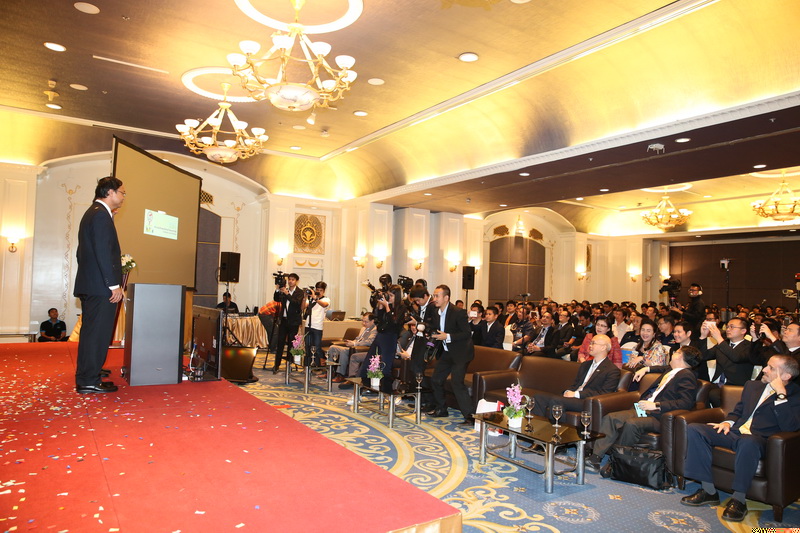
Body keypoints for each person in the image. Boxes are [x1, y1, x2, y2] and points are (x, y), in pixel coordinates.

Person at [680, 355, 800, 522]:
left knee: (748, 441)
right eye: (767, 365)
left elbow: (790, 427)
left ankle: (739, 500)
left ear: (786, 376)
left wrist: (780, 394)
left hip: (761, 440)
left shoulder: (794, 395)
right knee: (695, 429)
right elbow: (738, 411)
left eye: (771, 368)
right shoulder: (752, 386)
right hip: (735, 432)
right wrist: (727, 423)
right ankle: (708, 491)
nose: (764, 370)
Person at [585, 345, 701, 471]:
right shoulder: (672, 370)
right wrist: (646, 369)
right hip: (644, 409)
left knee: (631, 424)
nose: (672, 354)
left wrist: (657, 405)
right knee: (611, 418)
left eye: (677, 352)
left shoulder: (687, 375)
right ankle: (595, 458)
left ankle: (617, 463)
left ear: (680, 356)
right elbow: (661, 367)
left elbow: (686, 403)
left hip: (659, 416)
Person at [73, 176, 125, 394]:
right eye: (122, 192)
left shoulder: (93, 213)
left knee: (91, 333)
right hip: (101, 288)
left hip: (91, 284)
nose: (123, 196)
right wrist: (113, 285)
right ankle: (88, 381)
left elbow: (81, 253)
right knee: (97, 334)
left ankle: (89, 372)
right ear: (110, 192)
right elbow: (103, 253)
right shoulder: (100, 216)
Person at [532, 334, 621, 419]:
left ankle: (558, 428)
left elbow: (604, 394)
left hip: (587, 401)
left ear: (603, 347)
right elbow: (575, 384)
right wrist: (568, 391)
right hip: (573, 397)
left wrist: (576, 394)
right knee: (538, 397)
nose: (590, 345)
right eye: (590, 343)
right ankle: (539, 428)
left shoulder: (612, 370)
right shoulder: (585, 365)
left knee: (557, 401)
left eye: (593, 343)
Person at [427, 284, 475, 425]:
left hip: (461, 353)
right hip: (447, 352)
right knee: (436, 379)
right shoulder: (436, 312)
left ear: (446, 298)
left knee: (456, 382)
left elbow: (466, 333)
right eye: (434, 295)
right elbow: (435, 328)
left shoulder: (458, 312)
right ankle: (441, 409)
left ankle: (470, 416)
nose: (434, 298)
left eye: (437, 296)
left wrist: (447, 336)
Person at [355, 284, 407, 395]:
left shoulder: (402, 308)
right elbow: (378, 320)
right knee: (369, 361)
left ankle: (386, 391)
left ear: (397, 296)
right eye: (388, 295)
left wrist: (387, 307)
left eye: (391, 296)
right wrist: (380, 306)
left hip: (390, 337)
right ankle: (365, 386)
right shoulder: (386, 305)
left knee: (385, 366)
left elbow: (394, 322)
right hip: (380, 335)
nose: (389, 298)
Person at [699, 317, 753, 407]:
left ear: (743, 331)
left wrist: (719, 338)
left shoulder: (749, 346)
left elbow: (736, 357)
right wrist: (703, 336)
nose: (728, 329)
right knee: (698, 390)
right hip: (717, 384)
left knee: (713, 394)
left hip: (735, 386)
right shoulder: (723, 344)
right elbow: (703, 356)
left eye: (732, 327)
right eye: (727, 327)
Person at [271, 273, 305, 374]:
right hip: (283, 320)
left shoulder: (300, 292)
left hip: (294, 321)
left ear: (296, 281)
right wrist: (278, 290)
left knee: (291, 343)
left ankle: (289, 364)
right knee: (280, 342)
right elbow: (276, 299)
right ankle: (276, 365)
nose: (290, 281)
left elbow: (296, 303)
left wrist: (287, 293)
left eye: (293, 279)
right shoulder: (285, 290)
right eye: (289, 279)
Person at [332, 313, 377, 383]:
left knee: (343, 351)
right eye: (363, 321)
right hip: (354, 346)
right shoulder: (363, 328)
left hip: (361, 349)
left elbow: (369, 342)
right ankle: (331, 371)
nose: (363, 323)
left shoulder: (375, 330)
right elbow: (358, 339)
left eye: (366, 322)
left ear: (372, 321)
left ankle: (341, 375)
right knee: (333, 348)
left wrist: (354, 343)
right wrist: (352, 342)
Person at [304, 281, 329, 365]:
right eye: (317, 290)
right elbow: (303, 307)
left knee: (317, 347)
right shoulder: (311, 299)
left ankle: (319, 366)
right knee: (308, 347)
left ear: (324, 291)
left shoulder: (326, 299)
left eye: (321, 290)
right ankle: (308, 365)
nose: (319, 292)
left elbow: (324, 305)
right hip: (308, 325)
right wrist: (305, 297)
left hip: (318, 327)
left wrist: (316, 298)